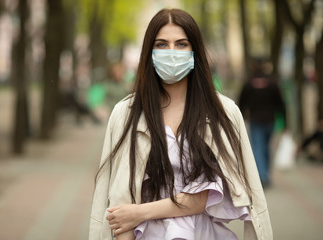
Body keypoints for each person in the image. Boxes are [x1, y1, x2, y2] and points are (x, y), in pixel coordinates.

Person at [90, 8, 272, 240]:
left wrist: (140, 212)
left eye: (181, 44)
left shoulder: (223, 113)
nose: (172, 52)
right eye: (162, 44)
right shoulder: (125, 114)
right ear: (149, 52)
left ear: (194, 50)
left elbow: (219, 193)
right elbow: (115, 199)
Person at [238, 59, 286, 188]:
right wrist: (285, 122)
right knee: (266, 147)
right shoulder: (272, 81)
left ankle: (262, 176)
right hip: (270, 120)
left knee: (258, 147)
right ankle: (265, 175)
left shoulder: (249, 82)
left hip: (255, 120)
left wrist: (241, 118)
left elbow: (241, 102)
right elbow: (280, 103)